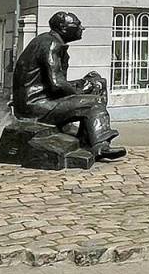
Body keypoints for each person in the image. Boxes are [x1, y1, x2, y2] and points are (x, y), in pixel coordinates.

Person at [9, 11, 125, 161]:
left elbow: (53, 82)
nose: (82, 28)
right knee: (94, 102)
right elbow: (57, 85)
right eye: (77, 25)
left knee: (97, 83)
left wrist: (84, 83)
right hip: (35, 106)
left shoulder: (49, 41)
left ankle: (87, 139)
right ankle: (101, 146)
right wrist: (80, 90)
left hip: (42, 99)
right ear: (63, 28)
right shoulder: (51, 45)